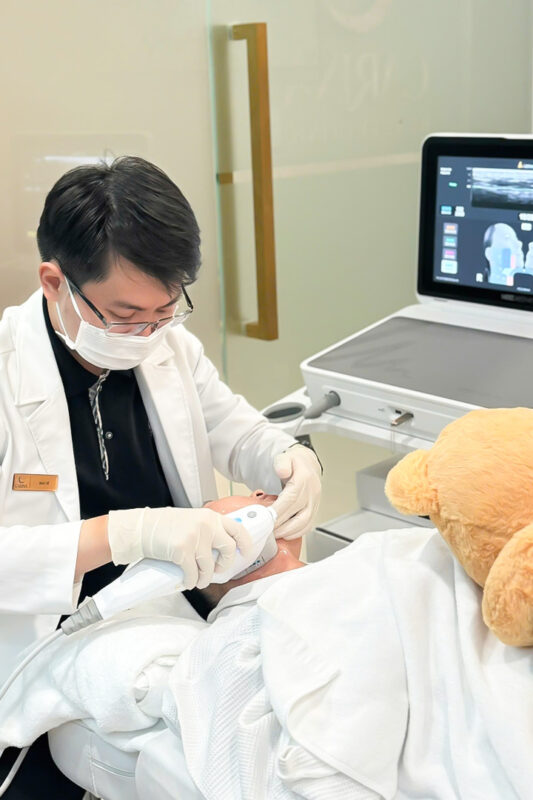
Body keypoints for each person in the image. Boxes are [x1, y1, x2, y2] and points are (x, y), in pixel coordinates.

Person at [0, 156, 322, 797]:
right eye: (124, 316)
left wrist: (289, 457)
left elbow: (238, 429)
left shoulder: (168, 345)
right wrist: (125, 534)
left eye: (165, 310)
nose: (146, 333)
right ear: (55, 282)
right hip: (54, 636)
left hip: (179, 605)